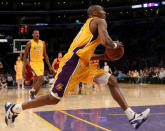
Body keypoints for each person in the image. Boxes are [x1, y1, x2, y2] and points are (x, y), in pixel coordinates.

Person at [5, 5, 150, 129]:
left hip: (83, 64)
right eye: (102, 9)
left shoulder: (89, 28)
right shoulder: (99, 21)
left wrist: (102, 57)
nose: (105, 12)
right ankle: (14, 108)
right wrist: (115, 45)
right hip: (72, 63)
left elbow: (87, 52)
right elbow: (106, 42)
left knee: (111, 80)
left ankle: (132, 117)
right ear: (94, 13)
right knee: (54, 98)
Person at [23, 30, 53, 99]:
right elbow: (25, 56)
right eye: (36, 33)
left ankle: (33, 96)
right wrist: (24, 67)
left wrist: (49, 66)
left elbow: (45, 55)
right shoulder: (29, 43)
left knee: (40, 80)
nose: (37, 34)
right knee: (41, 78)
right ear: (32, 35)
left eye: (38, 33)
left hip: (41, 63)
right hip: (33, 62)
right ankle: (32, 91)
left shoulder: (42, 43)